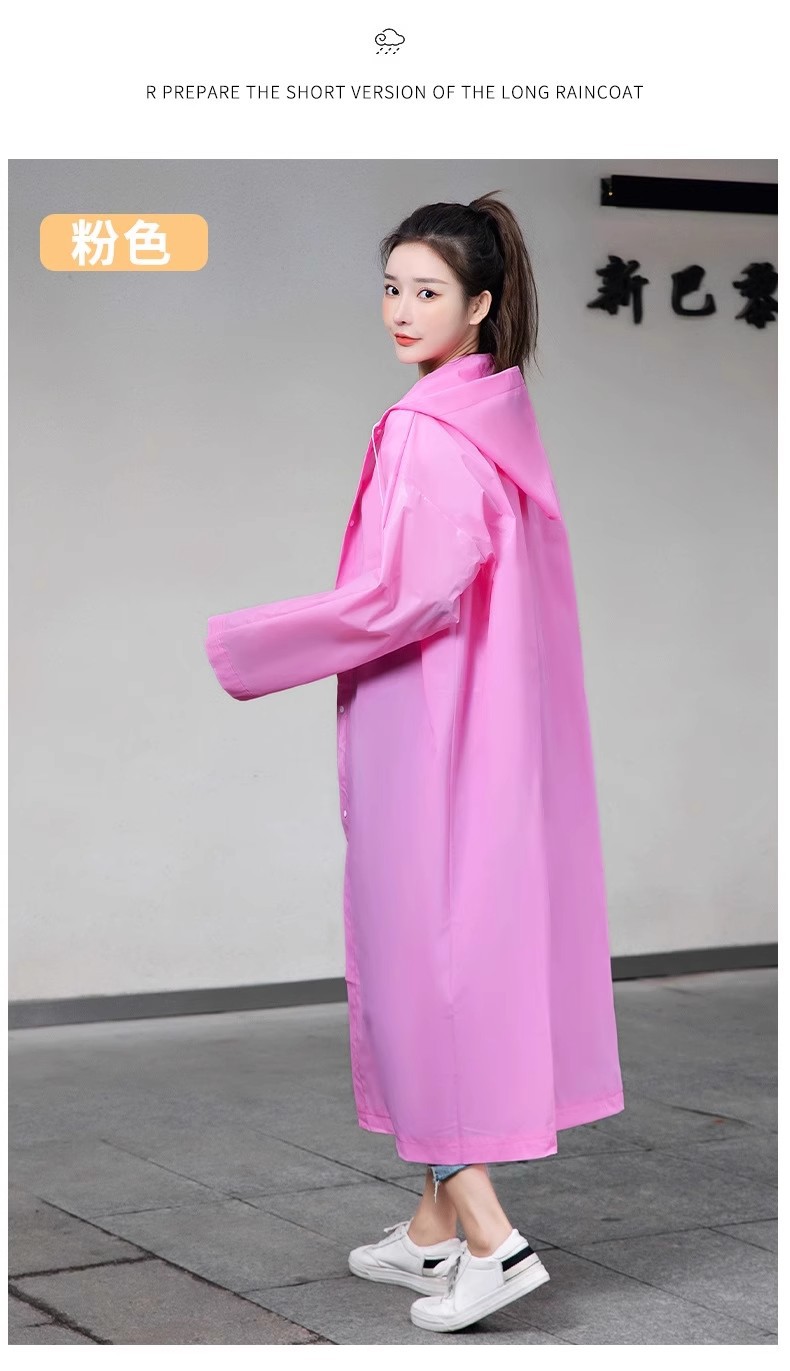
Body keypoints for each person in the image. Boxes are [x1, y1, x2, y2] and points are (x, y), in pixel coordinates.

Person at [205, 191, 624, 1333]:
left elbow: (408, 594)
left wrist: (248, 644)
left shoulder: (426, 431)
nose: (401, 309)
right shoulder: (497, 419)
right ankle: (431, 1227)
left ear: (479, 305)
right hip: (487, 730)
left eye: (427, 291)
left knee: (417, 974)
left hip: (428, 733)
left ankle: (491, 1239)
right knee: (441, 964)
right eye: (391, 287)